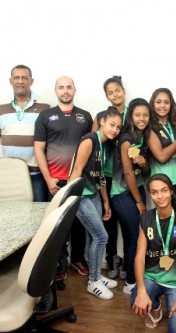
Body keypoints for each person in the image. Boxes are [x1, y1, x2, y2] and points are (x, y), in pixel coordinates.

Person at [34, 76, 93, 276]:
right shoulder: (45, 116)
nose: (65, 91)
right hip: (55, 182)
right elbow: (39, 149)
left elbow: (91, 149)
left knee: (78, 223)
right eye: (61, 87)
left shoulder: (85, 117)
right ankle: (58, 262)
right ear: (55, 90)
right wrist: (48, 179)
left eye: (69, 87)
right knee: (57, 226)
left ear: (75, 90)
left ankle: (77, 258)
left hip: (77, 180)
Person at [69, 107, 122, 299]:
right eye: (111, 124)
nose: (115, 129)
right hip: (81, 195)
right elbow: (76, 170)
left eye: (118, 127)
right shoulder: (90, 140)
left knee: (94, 237)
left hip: (93, 194)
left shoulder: (105, 144)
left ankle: (97, 275)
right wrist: (72, 200)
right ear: (102, 122)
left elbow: (99, 176)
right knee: (102, 236)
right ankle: (93, 281)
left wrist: (106, 200)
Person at [131, 174, 176, 332]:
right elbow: (139, 257)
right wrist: (141, 290)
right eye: (154, 192)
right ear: (150, 195)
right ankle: (156, 307)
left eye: (164, 190)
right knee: (136, 302)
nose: (160, 196)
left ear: (171, 191)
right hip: (152, 277)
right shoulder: (146, 218)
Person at [111, 98, 151, 295]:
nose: (142, 118)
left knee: (130, 237)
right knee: (136, 236)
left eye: (145, 115)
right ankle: (131, 282)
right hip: (122, 194)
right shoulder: (127, 139)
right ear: (131, 116)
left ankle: (129, 272)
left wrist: (143, 163)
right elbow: (127, 174)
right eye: (137, 115)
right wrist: (139, 202)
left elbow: (145, 171)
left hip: (137, 189)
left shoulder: (142, 137)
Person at [92, 76, 128, 280]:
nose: (115, 94)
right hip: (105, 175)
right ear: (106, 96)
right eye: (110, 92)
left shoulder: (132, 114)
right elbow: (94, 143)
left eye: (117, 90)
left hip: (125, 175)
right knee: (108, 220)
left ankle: (125, 259)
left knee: (126, 219)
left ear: (123, 90)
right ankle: (112, 256)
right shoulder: (101, 116)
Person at [0, 64, 50, 202]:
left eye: (24, 78)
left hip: (36, 175)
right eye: (16, 77)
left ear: (31, 81)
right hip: (9, 174)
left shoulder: (45, 106)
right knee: (11, 215)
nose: (20, 81)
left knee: (38, 214)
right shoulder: (1, 107)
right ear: (11, 81)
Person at [148, 88, 176, 207]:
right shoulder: (150, 127)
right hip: (163, 182)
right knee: (166, 220)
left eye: (166, 102)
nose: (162, 105)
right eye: (158, 102)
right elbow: (161, 157)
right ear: (152, 104)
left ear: (171, 104)